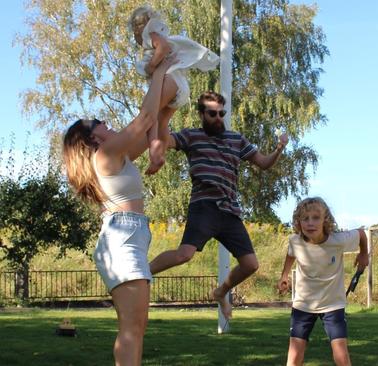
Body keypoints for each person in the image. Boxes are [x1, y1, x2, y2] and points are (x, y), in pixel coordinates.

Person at [62, 57, 174, 365]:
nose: (108, 124)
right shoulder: (106, 154)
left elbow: (153, 122)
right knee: (131, 330)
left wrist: (171, 103)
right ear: (93, 138)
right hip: (122, 239)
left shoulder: (117, 157)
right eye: (101, 123)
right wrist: (161, 69)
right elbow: (145, 116)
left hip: (128, 236)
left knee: (137, 327)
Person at [148, 91, 289, 320]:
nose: (218, 118)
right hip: (204, 206)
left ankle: (220, 292)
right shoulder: (191, 136)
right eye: (212, 113)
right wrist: (161, 115)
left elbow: (263, 163)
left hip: (229, 210)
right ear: (202, 114)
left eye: (221, 113)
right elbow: (165, 140)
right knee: (185, 254)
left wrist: (279, 149)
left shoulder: (236, 139)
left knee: (251, 264)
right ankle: (142, 273)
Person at [277, 197, 369, 366]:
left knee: (341, 354)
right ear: (298, 222)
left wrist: (364, 254)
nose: (310, 223)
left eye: (316, 217)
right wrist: (284, 276)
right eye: (305, 218)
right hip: (303, 305)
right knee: (294, 355)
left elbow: (362, 233)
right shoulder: (295, 241)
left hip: (332, 305)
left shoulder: (338, 240)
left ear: (325, 220)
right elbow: (290, 255)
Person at [128, 5, 219, 174]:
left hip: (169, 79)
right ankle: (160, 155)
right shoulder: (157, 35)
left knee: (150, 113)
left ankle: (154, 153)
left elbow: (163, 48)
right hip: (179, 87)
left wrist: (151, 66)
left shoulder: (150, 34)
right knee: (162, 122)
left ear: (138, 28)